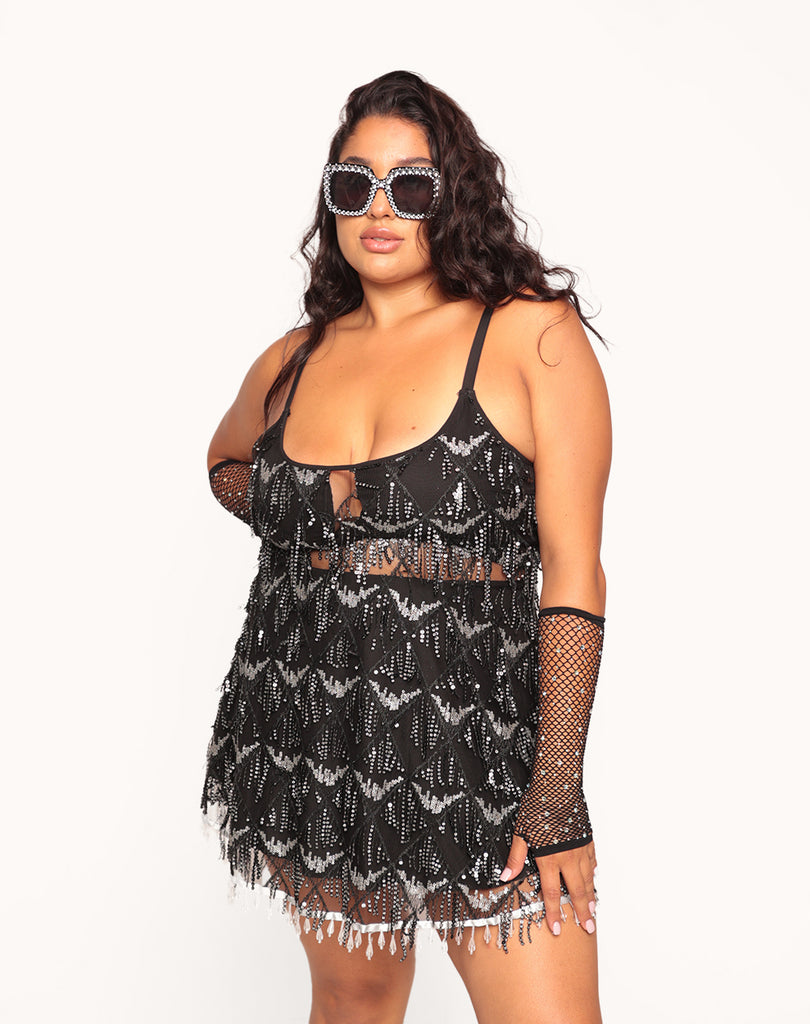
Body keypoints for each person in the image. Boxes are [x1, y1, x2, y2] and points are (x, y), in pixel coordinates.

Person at [200, 70, 611, 1024]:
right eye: (355, 184)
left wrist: (555, 798)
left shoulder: (529, 332)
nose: (379, 208)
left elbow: (575, 573)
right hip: (311, 726)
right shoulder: (296, 356)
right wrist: (314, 521)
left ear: (452, 196)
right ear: (332, 200)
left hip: (479, 747)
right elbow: (225, 464)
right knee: (354, 1000)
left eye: (410, 185)